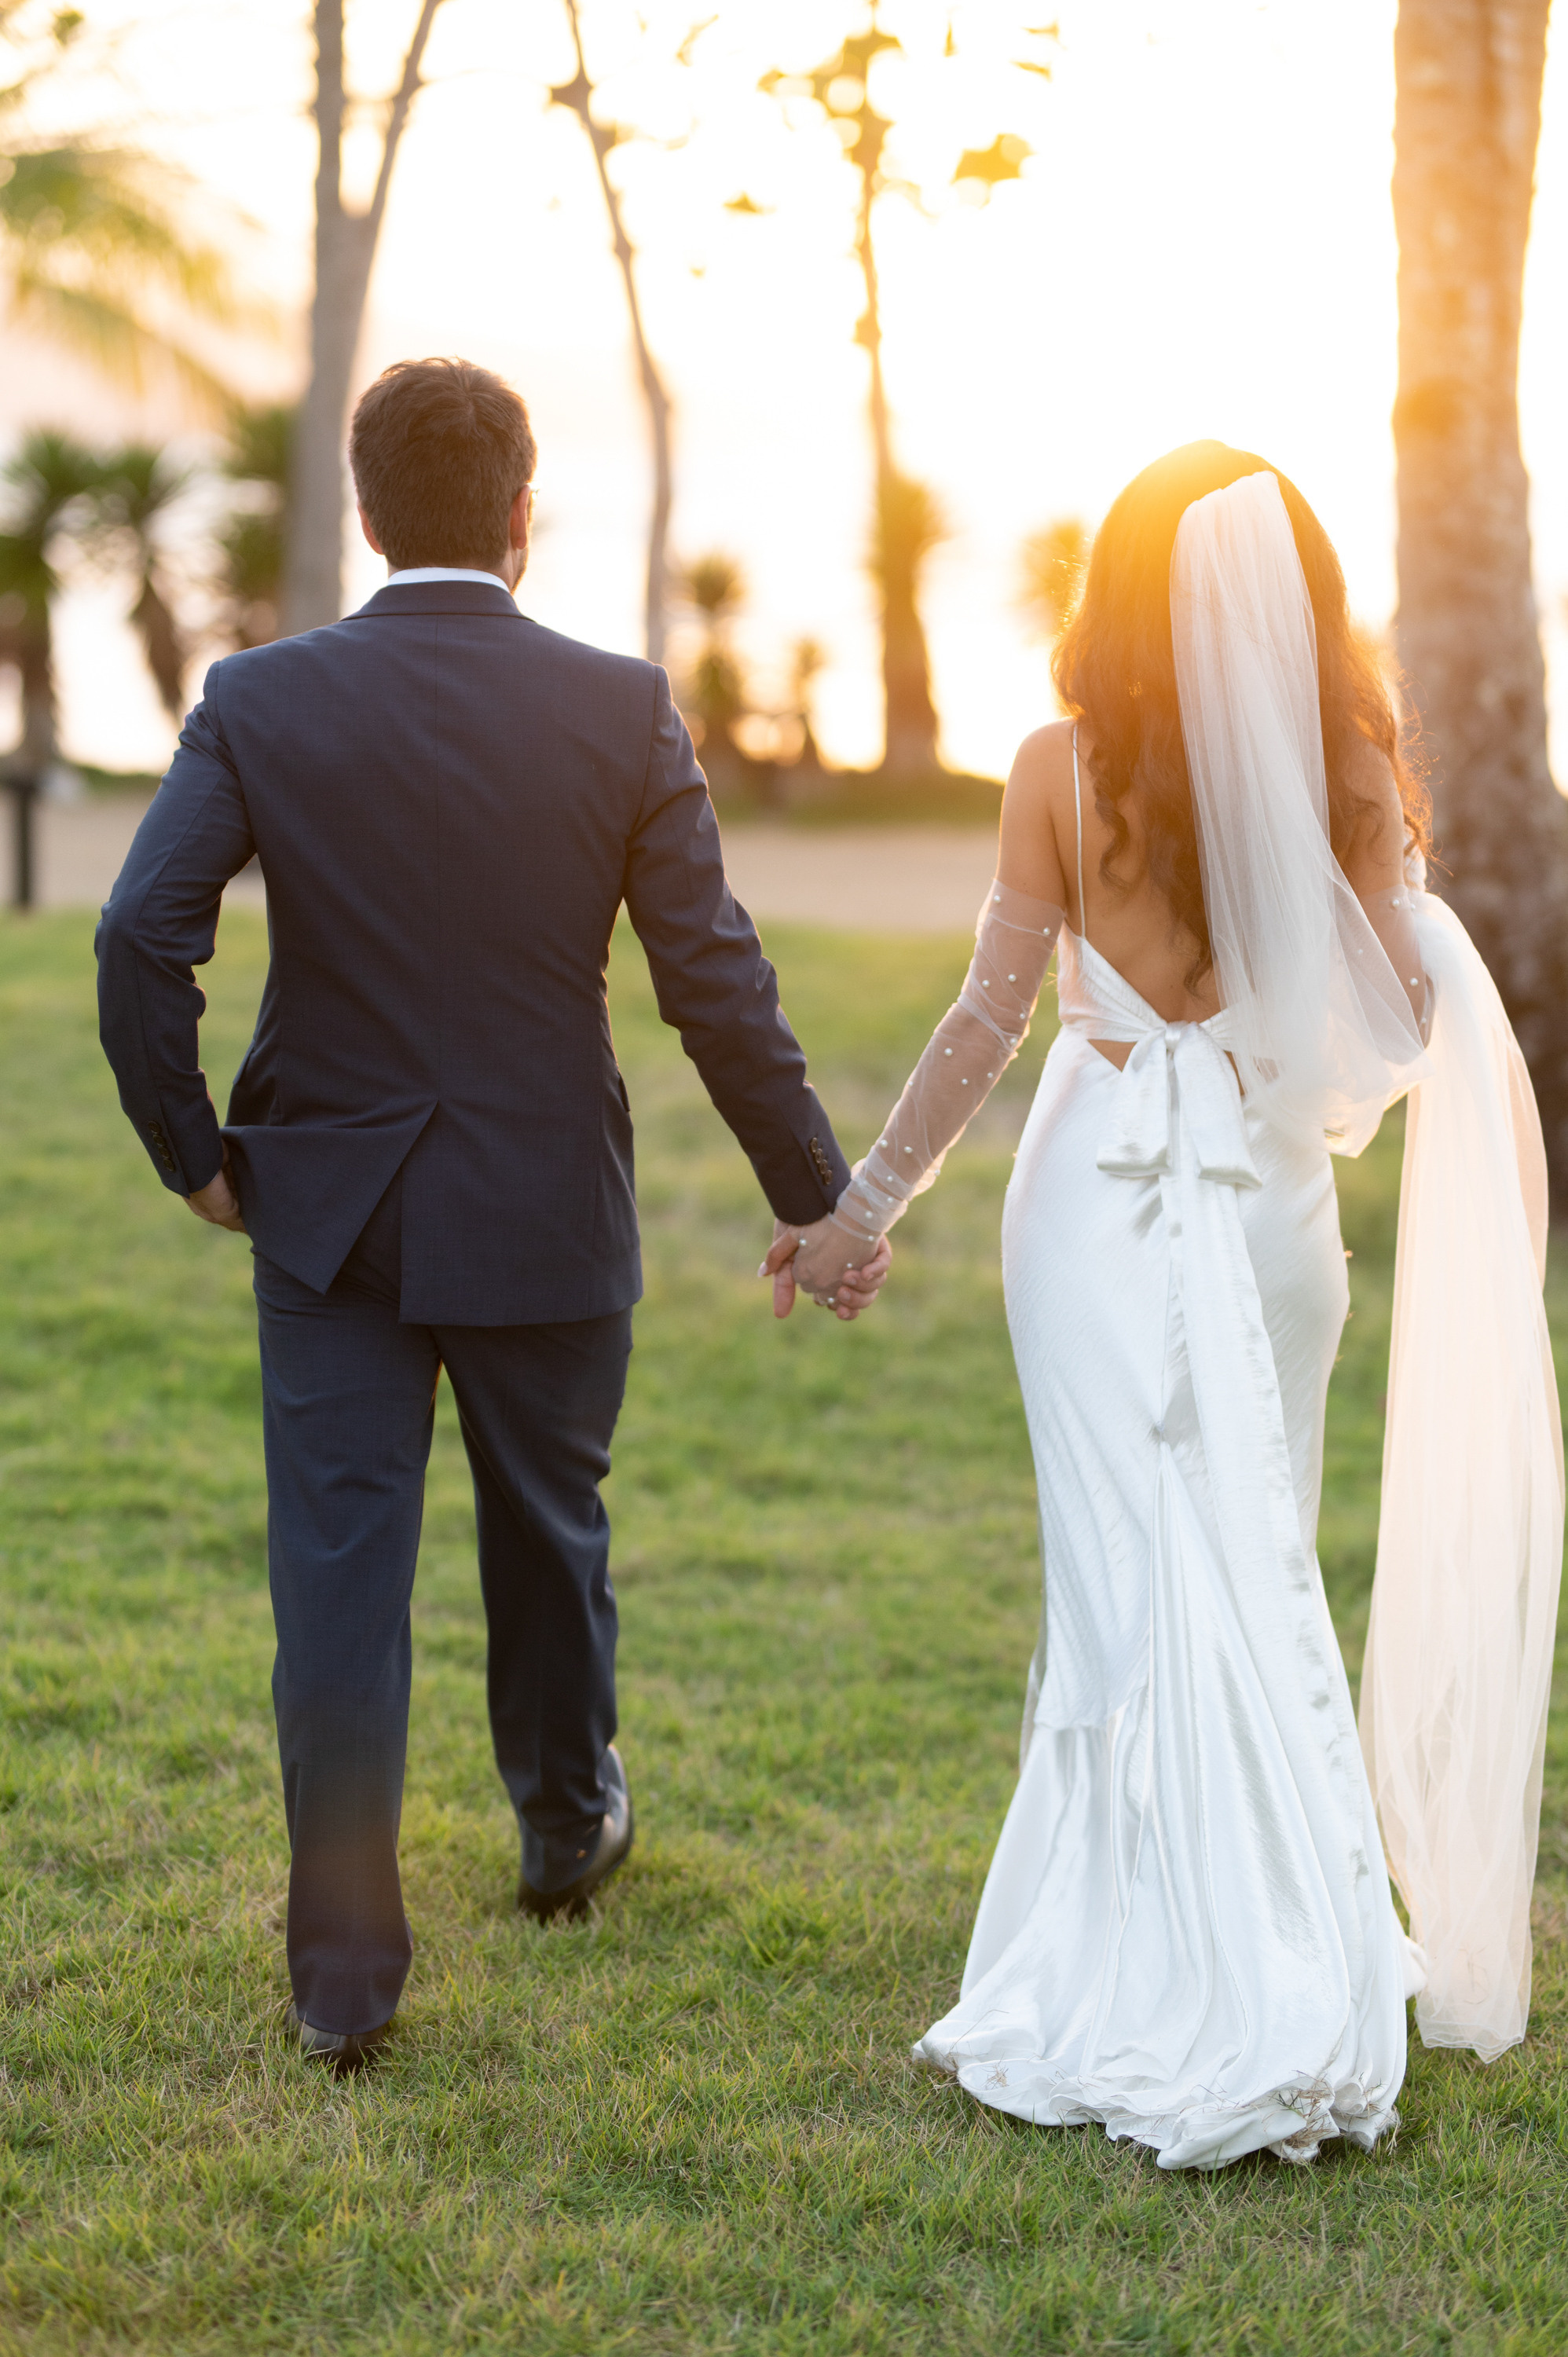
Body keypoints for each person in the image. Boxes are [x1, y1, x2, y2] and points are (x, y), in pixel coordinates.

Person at [770, 443, 1563, 2170]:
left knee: (1126, 1580)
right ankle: (1277, 1940)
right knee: (1259, 1558)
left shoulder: (1057, 769)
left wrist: (859, 1209)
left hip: (1090, 1201)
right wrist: (1395, 931)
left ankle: (1136, 1943)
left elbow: (988, 1020)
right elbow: (1393, 1027)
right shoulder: (1347, 770)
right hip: (1268, 1205)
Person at [96, 357, 889, 2075]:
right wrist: (815, 1201)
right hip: (542, 1197)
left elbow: (138, 933)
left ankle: (342, 1979)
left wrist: (193, 1153)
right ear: (525, 513)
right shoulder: (620, 708)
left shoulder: (260, 696)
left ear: (369, 516)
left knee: (338, 1580)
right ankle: (562, 1827)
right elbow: (713, 983)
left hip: (325, 1214)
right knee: (548, 1532)